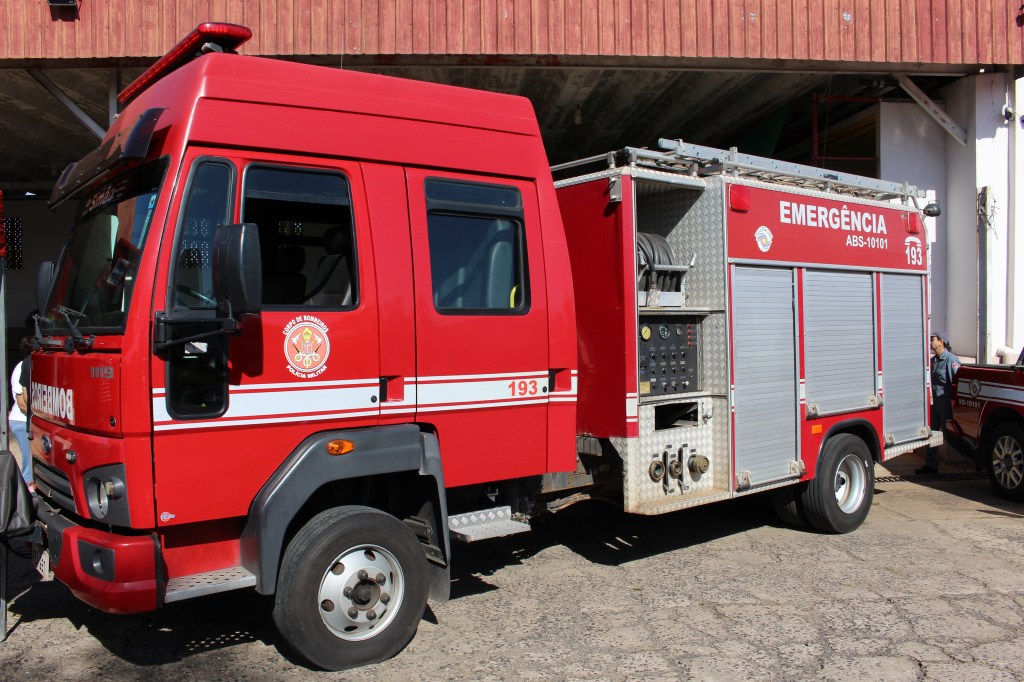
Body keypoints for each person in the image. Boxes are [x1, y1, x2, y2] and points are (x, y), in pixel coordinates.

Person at [918, 330, 960, 475]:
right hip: (935, 405)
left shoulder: (951, 361)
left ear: (941, 341)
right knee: (932, 434)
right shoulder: (934, 361)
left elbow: (956, 384)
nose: (931, 342)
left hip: (946, 407)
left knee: (950, 436)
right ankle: (931, 465)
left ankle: (976, 456)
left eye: (933, 339)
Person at [9, 348, 33, 490]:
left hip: (23, 420)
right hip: (21, 421)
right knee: (28, 462)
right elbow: (22, 402)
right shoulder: (23, 366)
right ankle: (25, 492)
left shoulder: (24, 365)